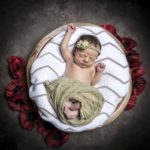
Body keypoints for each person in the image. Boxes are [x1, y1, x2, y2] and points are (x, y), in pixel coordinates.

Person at [60, 24, 105, 120]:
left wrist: (99, 72)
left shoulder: (92, 68)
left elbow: (92, 83)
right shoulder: (70, 59)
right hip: (67, 89)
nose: (86, 60)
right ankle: (67, 105)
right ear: (75, 51)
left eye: (91, 58)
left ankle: (74, 111)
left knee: (94, 99)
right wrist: (69, 33)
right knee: (60, 95)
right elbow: (63, 47)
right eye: (82, 55)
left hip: (83, 93)